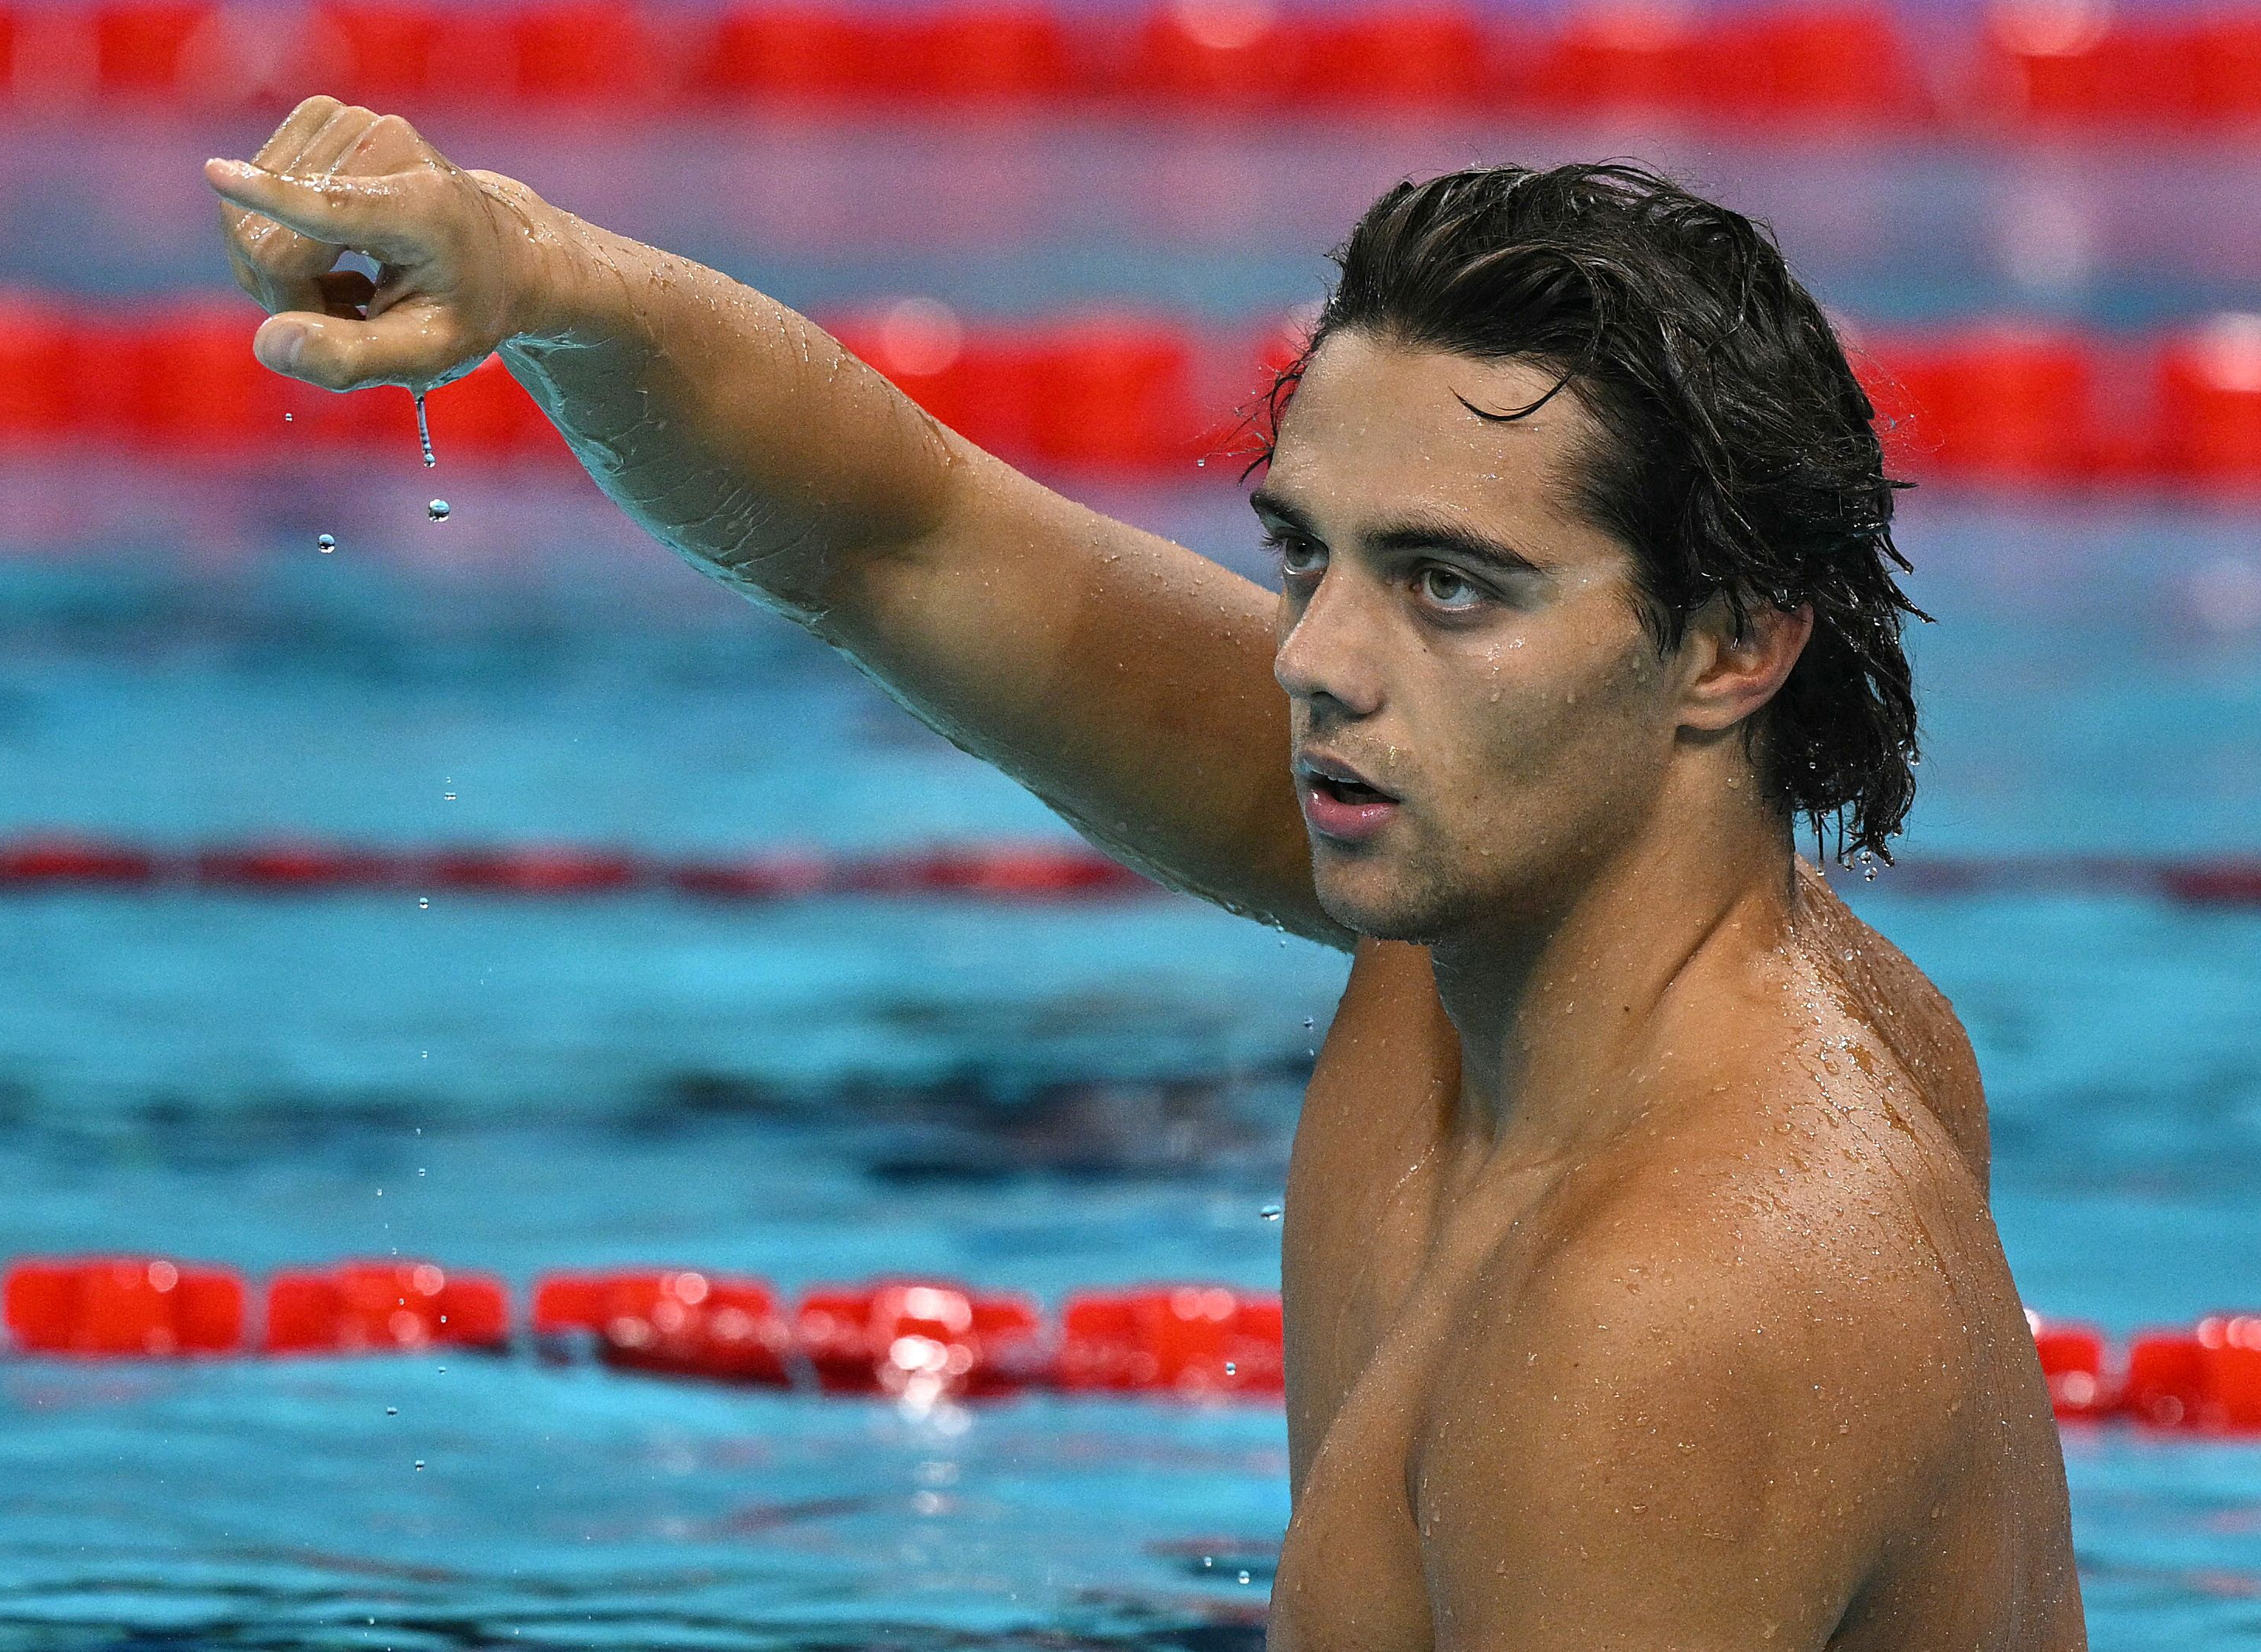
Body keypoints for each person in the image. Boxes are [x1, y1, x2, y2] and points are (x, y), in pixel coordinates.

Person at [206, 102, 2088, 1648]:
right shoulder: (1488, 914)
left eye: (1447, 583)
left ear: (1730, 647)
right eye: (1305, 554)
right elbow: (900, 539)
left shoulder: (1656, 1316)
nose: (1316, 657)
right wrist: (538, 271)